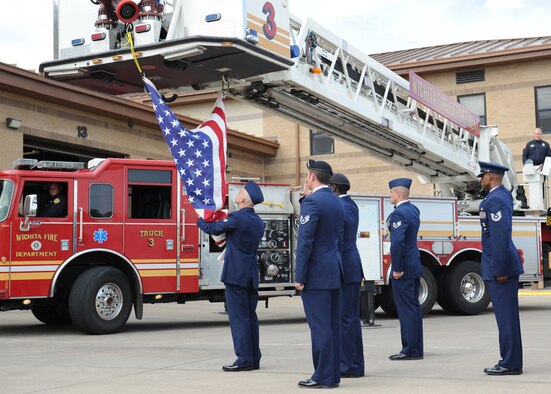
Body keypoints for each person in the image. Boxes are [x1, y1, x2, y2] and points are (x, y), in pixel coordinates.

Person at [196, 180, 265, 372]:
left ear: (243, 198)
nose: (237, 194)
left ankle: (244, 359)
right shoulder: (258, 222)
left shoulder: (238, 218)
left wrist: (199, 218)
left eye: (240, 191)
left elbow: (213, 229)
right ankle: (253, 358)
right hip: (251, 274)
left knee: (239, 318)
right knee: (250, 317)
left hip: (236, 274)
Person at [295, 160, 345, 389]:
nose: (306, 179)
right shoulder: (336, 202)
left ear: (313, 177)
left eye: (307, 176)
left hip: (316, 273)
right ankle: (332, 374)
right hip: (333, 269)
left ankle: (322, 376)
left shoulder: (313, 203)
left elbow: (305, 242)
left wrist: (300, 276)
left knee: (320, 327)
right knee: (332, 326)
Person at [477, 161, 524, 376]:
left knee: (506, 319)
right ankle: (510, 360)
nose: (481, 179)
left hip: (500, 269)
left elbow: (499, 237)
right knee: (506, 319)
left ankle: (510, 363)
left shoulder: (496, 199)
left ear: (491, 177)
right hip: (498, 266)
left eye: (483, 175)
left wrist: (500, 269)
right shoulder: (496, 197)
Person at [329, 173, 364, 378]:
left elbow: (339, 241)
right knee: (349, 319)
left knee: (345, 319)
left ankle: (349, 365)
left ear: (333, 188)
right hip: (350, 267)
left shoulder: (342, 207)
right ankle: (354, 364)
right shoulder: (350, 204)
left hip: (345, 268)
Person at [386, 178, 424, 361]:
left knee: (406, 309)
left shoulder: (399, 213)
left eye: (391, 193)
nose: (390, 196)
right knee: (414, 308)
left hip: (404, 267)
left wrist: (398, 268)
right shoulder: (413, 209)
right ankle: (416, 347)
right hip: (414, 263)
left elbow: (397, 243)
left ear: (398, 193)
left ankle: (409, 349)